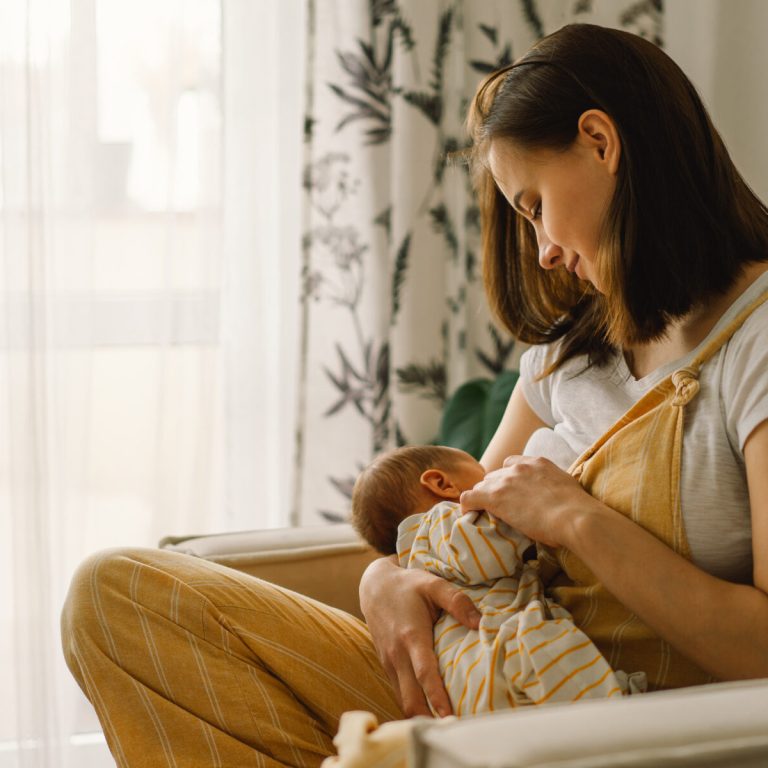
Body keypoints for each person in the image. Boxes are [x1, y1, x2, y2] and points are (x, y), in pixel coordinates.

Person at [60, 22, 768, 768]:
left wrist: (578, 520)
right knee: (116, 596)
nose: (544, 252)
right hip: (481, 684)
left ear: (600, 141)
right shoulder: (570, 352)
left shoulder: (754, 341)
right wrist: (385, 578)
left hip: (606, 723)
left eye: (533, 205)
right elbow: (461, 528)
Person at [351, 444, 641, 715]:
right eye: (484, 472)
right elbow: (483, 549)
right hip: (501, 647)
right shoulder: (439, 523)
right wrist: (532, 506)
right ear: (442, 484)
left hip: (471, 674)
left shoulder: (421, 555)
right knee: (576, 693)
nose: (494, 479)